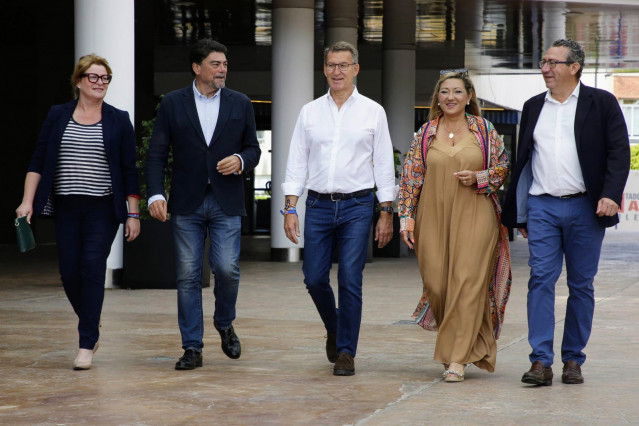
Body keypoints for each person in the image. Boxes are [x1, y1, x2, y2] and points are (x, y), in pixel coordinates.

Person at [502, 39, 631, 386]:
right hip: (543, 204)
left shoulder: (601, 103)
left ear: (574, 67)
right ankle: (540, 361)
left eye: (553, 62)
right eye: (543, 61)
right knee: (541, 279)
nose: (546, 68)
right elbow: (525, 161)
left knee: (581, 284)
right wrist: (523, 213)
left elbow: (618, 152)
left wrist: (609, 194)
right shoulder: (532, 107)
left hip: (586, 207)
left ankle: (572, 358)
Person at [16, 54, 140, 370]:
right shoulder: (58, 115)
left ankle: (86, 343)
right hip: (66, 206)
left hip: (103, 207)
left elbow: (129, 170)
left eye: (105, 78)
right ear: (79, 81)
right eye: (94, 77)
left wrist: (133, 213)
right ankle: (91, 323)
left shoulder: (118, 119)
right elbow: (38, 161)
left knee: (92, 267)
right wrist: (27, 201)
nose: (100, 83)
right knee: (69, 272)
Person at [282, 41, 397, 376]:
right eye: (331, 65)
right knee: (314, 277)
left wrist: (386, 212)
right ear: (324, 69)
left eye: (344, 65)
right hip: (317, 204)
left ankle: (346, 351)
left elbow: (383, 165)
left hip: (358, 205)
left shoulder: (373, 112)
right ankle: (335, 327)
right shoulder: (310, 112)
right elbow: (296, 163)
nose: (337, 71)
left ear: (355, 69)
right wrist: (291, 208)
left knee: (350, 278)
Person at [146, 39, 261, 370]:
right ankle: (192, 347)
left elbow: (253, 148)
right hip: (186, 202)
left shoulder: (240, 103)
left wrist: (240, 159)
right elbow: (157, 152)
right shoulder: (172, 103)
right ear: (197, 68)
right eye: (215, 64)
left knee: (227, 268)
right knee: (187, 274)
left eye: (225, 64)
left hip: (226, 200)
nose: (222, 69)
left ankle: (224, 322)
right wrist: (155, 193)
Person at [398, 70, 512, 382]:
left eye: (457, 92)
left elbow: (503, 168)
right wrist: (406, 217)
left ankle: (457, 358)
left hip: (476, 214)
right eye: (445, 92)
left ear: (469, 97)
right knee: (438, 283)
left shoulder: (484, 130)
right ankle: (470, 342)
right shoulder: (425, 133)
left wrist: (480, 177)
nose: (450, 97)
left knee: (467, 283)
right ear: (437, 97)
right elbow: (410, 179)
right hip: (432, 217)